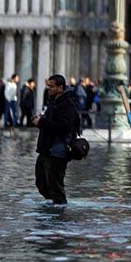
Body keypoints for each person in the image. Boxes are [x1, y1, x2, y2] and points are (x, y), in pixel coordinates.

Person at [31, 74, 80, 205]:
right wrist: (39, 121)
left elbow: (64, 127)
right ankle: (52, 206)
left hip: (58, 151)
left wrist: (42, 123)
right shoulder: (53, 101)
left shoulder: (67, 104)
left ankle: (59, 213)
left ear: (60, 87)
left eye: (51, 86)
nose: (49, 89)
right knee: (41, 182)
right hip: (46, 149)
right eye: (48, 86)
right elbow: (50, 123)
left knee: (55, 186)